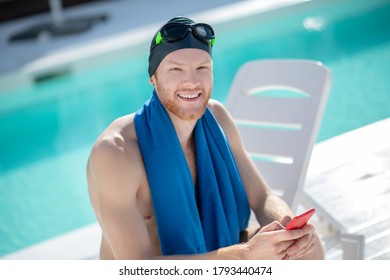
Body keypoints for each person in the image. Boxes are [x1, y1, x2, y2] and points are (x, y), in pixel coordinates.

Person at [86, 16, 325, 260]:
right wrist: (244, 255)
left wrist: (287, 227)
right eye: (176, 69)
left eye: (202, 68)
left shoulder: (218, 118)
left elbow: (262, 196)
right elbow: (136, 268)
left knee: (309, 249)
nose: (191, 82)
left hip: (221, 251)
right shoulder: (116, 152)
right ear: (153, 77)